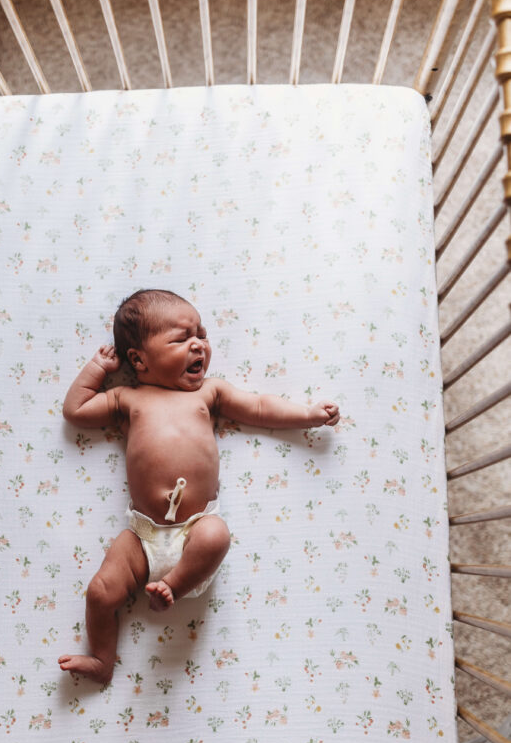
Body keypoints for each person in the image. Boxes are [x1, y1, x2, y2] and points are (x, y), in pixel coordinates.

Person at [58, 289, 340, 684]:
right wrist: (96, 370)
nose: (198, 345)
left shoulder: (211, 393)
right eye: (180, 338)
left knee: (217, 534)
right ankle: (103, 661)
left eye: (202, 335)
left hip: (194, 530)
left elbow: (259, 407)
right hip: (143, 535)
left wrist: (307, 415)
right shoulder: (127, 399)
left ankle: (170, 587)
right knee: (101, 592)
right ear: (138, 359)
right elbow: (77, 410)